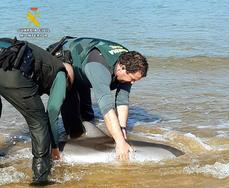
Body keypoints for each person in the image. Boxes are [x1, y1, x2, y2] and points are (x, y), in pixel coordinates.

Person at [48, 37, 148, 161]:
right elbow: (106, 107)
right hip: (65, 59)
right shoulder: (99, 69)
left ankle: (86, 132)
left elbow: (122, 101)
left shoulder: (128, 64)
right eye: (132, 79)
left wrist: (122, 129)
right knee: (74, 125)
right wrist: (120, 143)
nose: (132, 83)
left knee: (87, 116)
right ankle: (60, 148)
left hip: (84, 64)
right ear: (121, 67)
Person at [0, 37, 74, 185]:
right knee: (39, 123)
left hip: (5, 56)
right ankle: (41, 178)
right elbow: (52, 112)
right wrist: (54, 147)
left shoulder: (45, 59)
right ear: (68, 73)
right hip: (13, 69)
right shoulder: (61, 73)